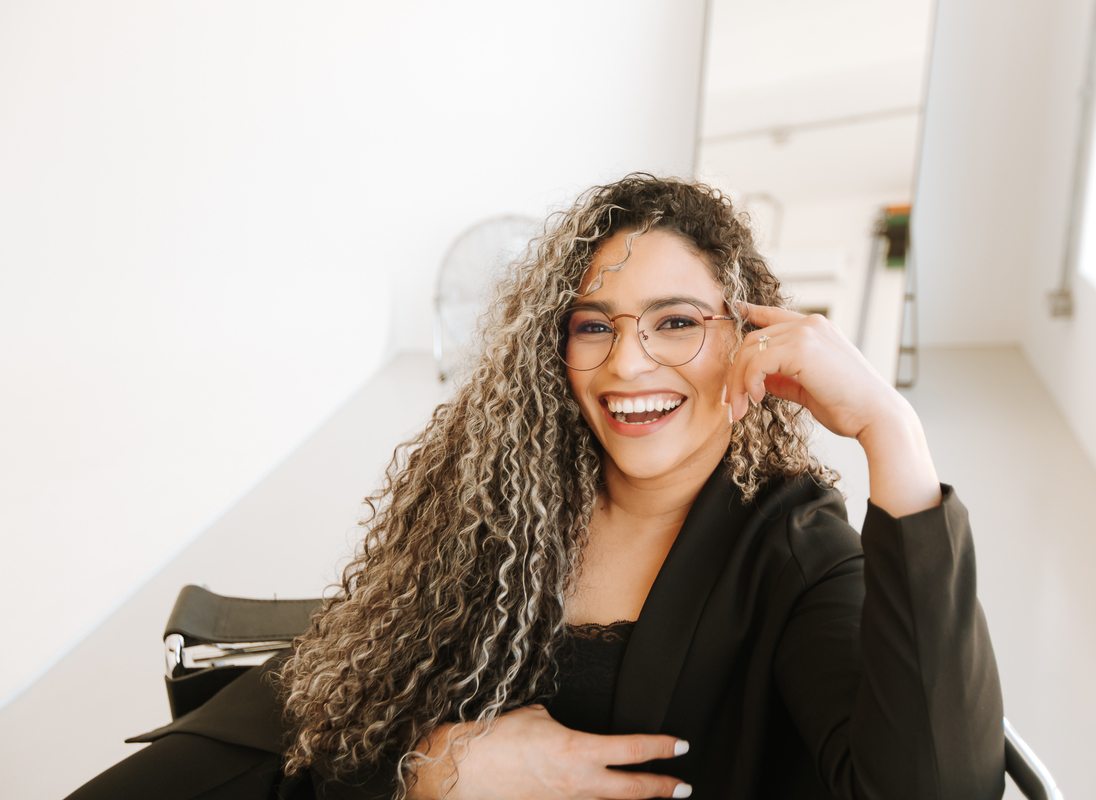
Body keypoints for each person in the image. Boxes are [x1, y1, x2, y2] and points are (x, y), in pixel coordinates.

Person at [69, 174, 1004, 800]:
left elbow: (933, 787)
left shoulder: (793, 548)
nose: (626, 362)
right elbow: (352, 709)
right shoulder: (510, 492)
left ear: (748, 339)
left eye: (676, 321)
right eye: (593, 325)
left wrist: (892, 433)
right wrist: (432, 768)